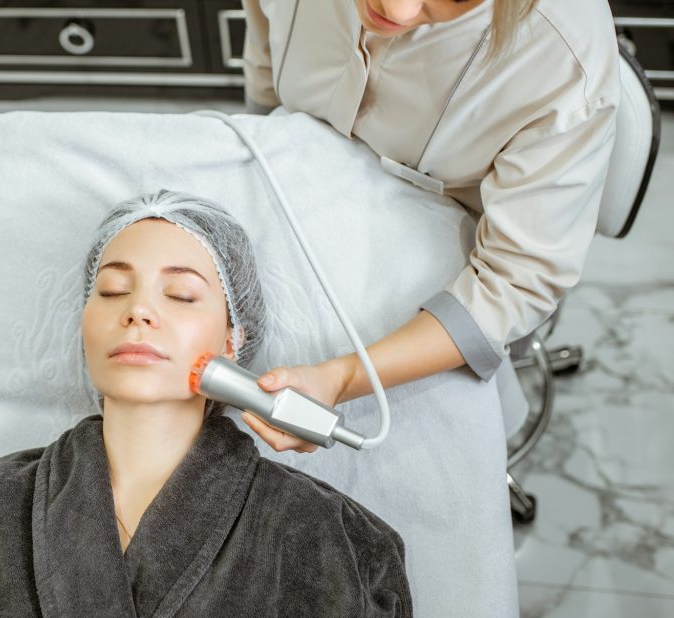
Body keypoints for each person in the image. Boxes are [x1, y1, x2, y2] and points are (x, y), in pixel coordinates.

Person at [0, 190, 414, 618]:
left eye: (179, 294)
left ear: (233, 338)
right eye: (112, 290)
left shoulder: (327, 539)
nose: (138, 311)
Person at [239, 0, 620, 453]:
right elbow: (265, 63)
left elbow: (513, 284)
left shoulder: (561, 58)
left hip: (446, 275)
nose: (395, 12)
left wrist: (343, 378)